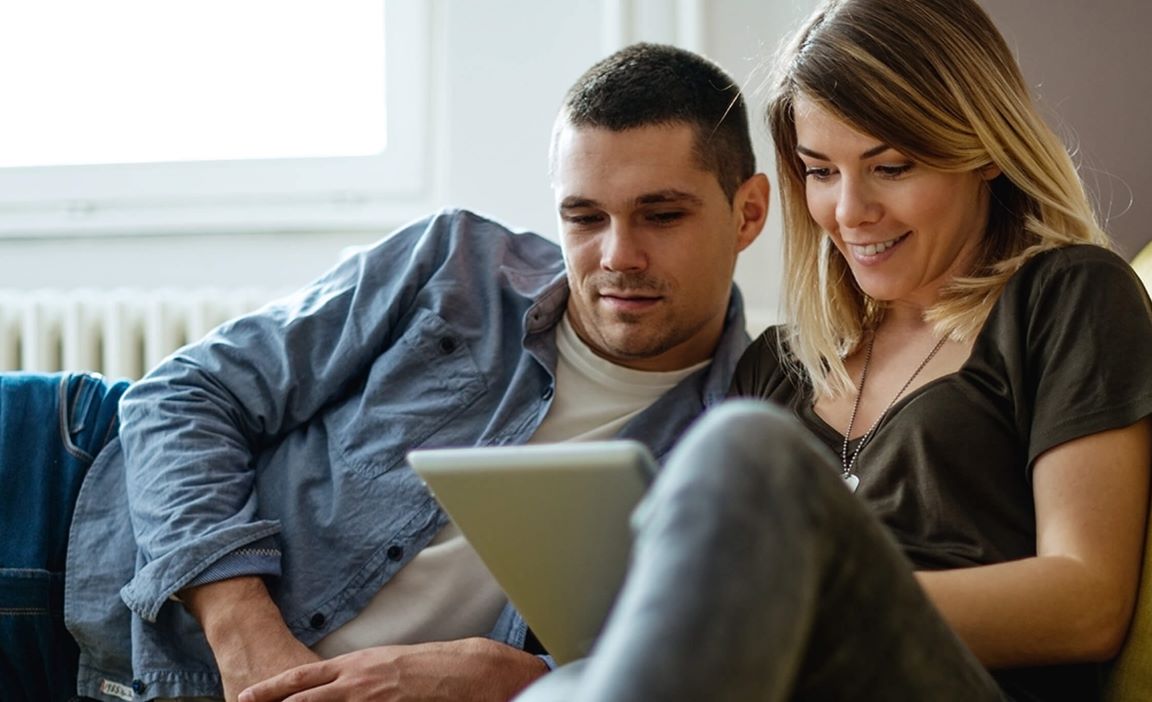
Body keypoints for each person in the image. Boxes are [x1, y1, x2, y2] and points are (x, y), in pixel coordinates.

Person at [0, 43, 770, 701]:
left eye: (661, 215)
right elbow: (184, 393)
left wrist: (520, 676)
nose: (616, 257)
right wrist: (247, 636)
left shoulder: (750, 432)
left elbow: (702, 659)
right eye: (584, 217)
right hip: (61, 480)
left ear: (749, 212)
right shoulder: (454, 265)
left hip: (115, 671)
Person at [515, 1, 1152, 701]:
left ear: (981, 151)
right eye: (820, 171)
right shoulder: (780, 366)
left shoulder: (1068, 296)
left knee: (745, 445)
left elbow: (1086, 603)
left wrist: (793, 605)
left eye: (889, 167)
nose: (850, 211)